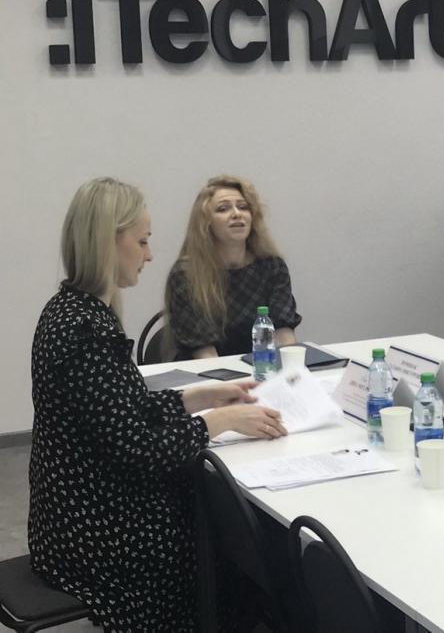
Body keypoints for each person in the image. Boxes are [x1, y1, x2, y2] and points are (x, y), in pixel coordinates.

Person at [30, 177, 288, 630]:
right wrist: (221, 420)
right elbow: (139, 450)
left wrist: (196, 397)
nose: (149, 255)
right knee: (229, 541)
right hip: (95, 538)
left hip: (72, 517)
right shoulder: (86, 331)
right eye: (142, 241)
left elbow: (121, 411)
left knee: (221, 522)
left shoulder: (72, 311)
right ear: (107, 243)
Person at [165, 175, 301, 359]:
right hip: (208, 370)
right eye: (223, 209)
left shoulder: (272, 267)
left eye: (243, 207)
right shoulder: (186, 274)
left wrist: (292, 370)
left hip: (262, 366)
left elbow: (284, 334)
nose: (237, 214)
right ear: (206, 223)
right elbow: (204, 353)